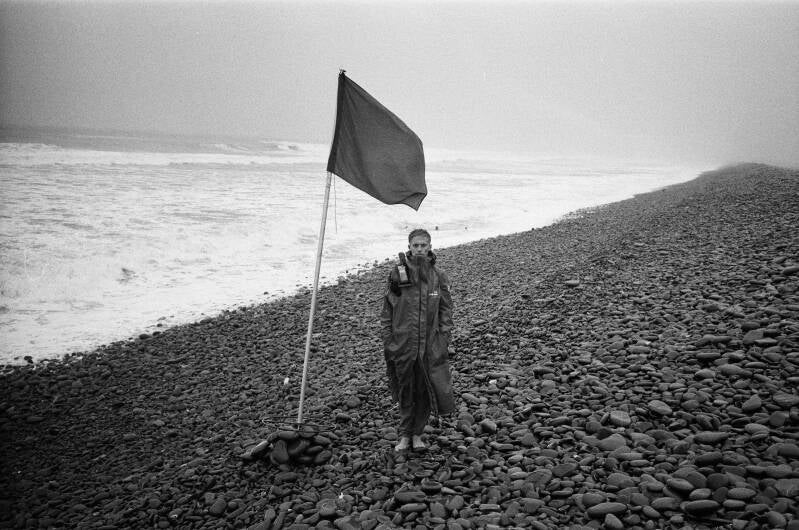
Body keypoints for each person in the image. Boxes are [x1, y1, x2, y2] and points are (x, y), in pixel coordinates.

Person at [380, 228, 456, 451]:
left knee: (424, 389)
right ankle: (404, 434)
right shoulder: (398, 274)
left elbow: (446, 311)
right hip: (402, 343)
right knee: (405, 387)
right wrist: (388, 338)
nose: (420, 249)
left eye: (424, 245)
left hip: (429, 345)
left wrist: (443, 339)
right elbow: (387, 310)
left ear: (430, 246)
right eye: (416, 245)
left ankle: (417, 434)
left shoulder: (438, 276)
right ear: (409, 247)